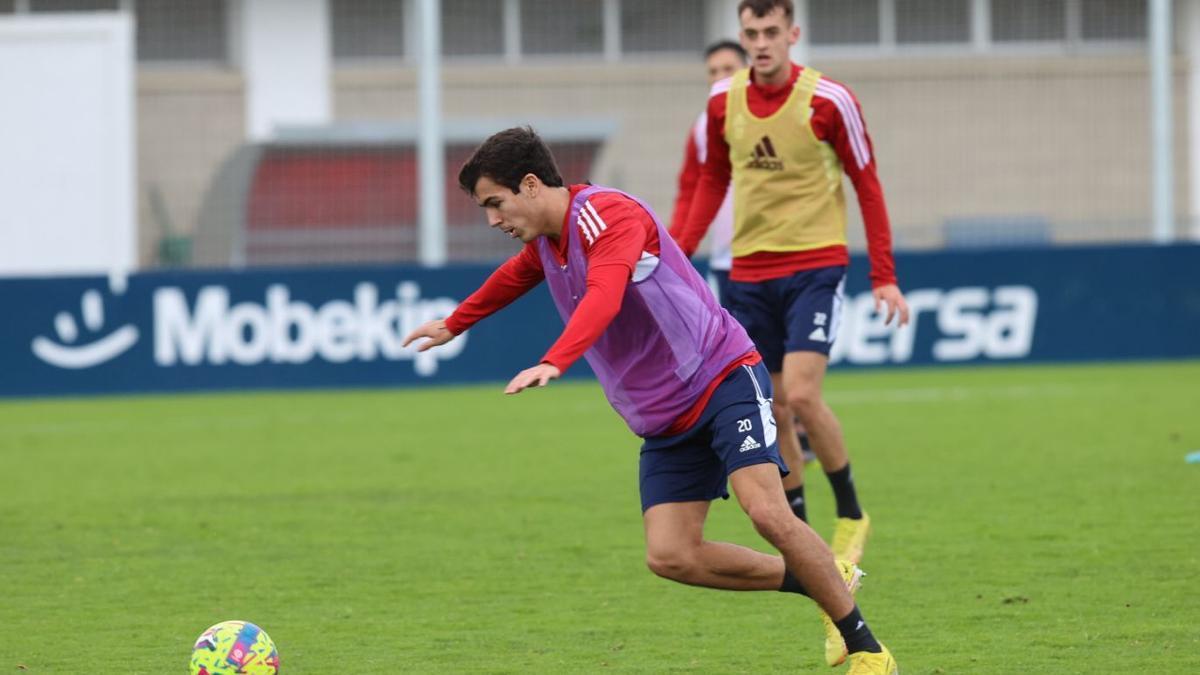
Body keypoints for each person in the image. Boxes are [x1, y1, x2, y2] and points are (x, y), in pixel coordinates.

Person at [403, 126, 897, 673]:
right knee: (671, 556)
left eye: (495, 204)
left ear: (531, 184)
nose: (493, 219)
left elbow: (605, 293)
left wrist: (556, 359)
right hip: (665, 419)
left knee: (767, 513)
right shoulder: (546, 242)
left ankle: (868, 650)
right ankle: (823, 578)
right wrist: (454, 322)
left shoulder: (608, 215)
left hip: (721, 377)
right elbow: (513, 279)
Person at [674, 0, 909, 568]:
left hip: (815, 265)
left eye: (771, 32)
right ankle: (804, 533)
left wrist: (884, 276)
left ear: (792, 35)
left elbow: (866, 183)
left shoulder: (829, 100)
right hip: (748, 272)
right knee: (775, 407)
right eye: (751, 32)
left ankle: (851, 512)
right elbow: (712, 179)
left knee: (802, 395)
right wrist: (678, 256)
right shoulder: (721, 102)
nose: (761, 42)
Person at [669, 39, 819, 473]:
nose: (719, 79)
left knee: (792, 377)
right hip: (728, 263)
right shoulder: (705, 126)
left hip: (784, 257)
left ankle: (794, 431)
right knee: (755, 366)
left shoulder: (778, 114)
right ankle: (777, 439)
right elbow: (690, 191)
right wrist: (677, 253)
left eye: (727, 69)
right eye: (712, 72)